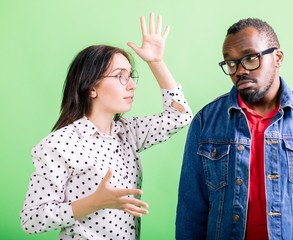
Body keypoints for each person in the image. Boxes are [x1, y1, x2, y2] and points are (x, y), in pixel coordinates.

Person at [20, 12, 192, 240]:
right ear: (91, 88)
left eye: (131, 76)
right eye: (120, 76)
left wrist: (156, 62)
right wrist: (93, 202)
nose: (132, 85)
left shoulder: (128, 133)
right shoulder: (59, 144)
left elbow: (179, 116)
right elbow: (31, 219)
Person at [176, 18, 293, 240]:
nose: (239, 71)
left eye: (250, 58)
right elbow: (191, 212)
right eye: (231, 63)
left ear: (277, 57)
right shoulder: (205, 122)